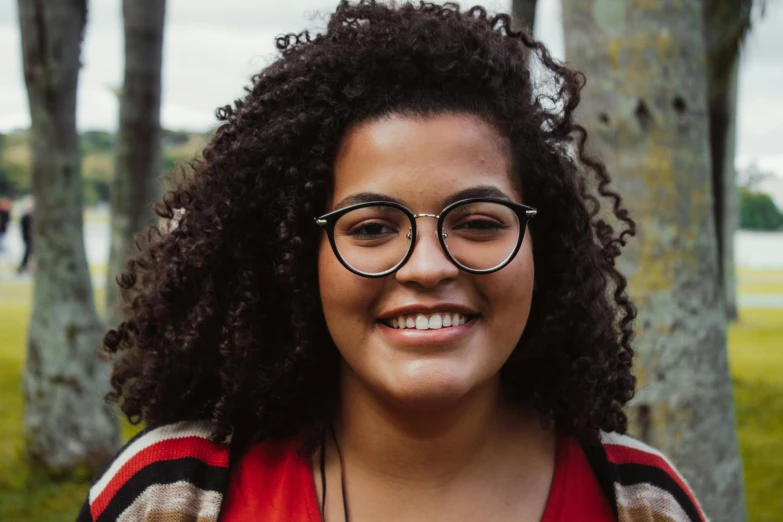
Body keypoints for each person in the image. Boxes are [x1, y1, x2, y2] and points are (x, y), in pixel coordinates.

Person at [77, 2, 708, 522]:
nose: (428, 267)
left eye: (480, 223)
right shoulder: (167, 500)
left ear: (542, 246)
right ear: (301, 256)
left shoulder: (640, 504)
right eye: (373, 227)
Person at [17, 195, 33, 274]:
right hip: (28, 237)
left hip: (29, 237)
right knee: (27, 252)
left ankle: (26, 267)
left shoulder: (29, 216)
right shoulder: (26, 216)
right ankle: (23, 267)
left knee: (29, 253)